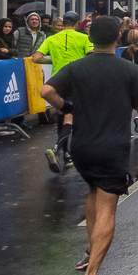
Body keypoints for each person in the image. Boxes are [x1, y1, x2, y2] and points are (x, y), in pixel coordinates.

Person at [40, 16, 138, 275]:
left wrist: (67, 106)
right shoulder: (127, 69)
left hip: (81, 146)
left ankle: (90, 252)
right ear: (118, 37)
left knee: (92, 191)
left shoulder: (76, 67)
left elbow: (46, 91)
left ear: (91, 39)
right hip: (112, 146)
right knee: (107, 209)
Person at [32, 11, 93, 173]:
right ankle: (57, 148)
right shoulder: (83, 38)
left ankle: (66, 155)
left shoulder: (51, 38)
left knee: (62, 115)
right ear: (76, 23)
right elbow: (92, 55)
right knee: (69, 117)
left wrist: (53, 59)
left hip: (57, 81)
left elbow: (36, 58)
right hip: (76, 79)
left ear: (63, 22)